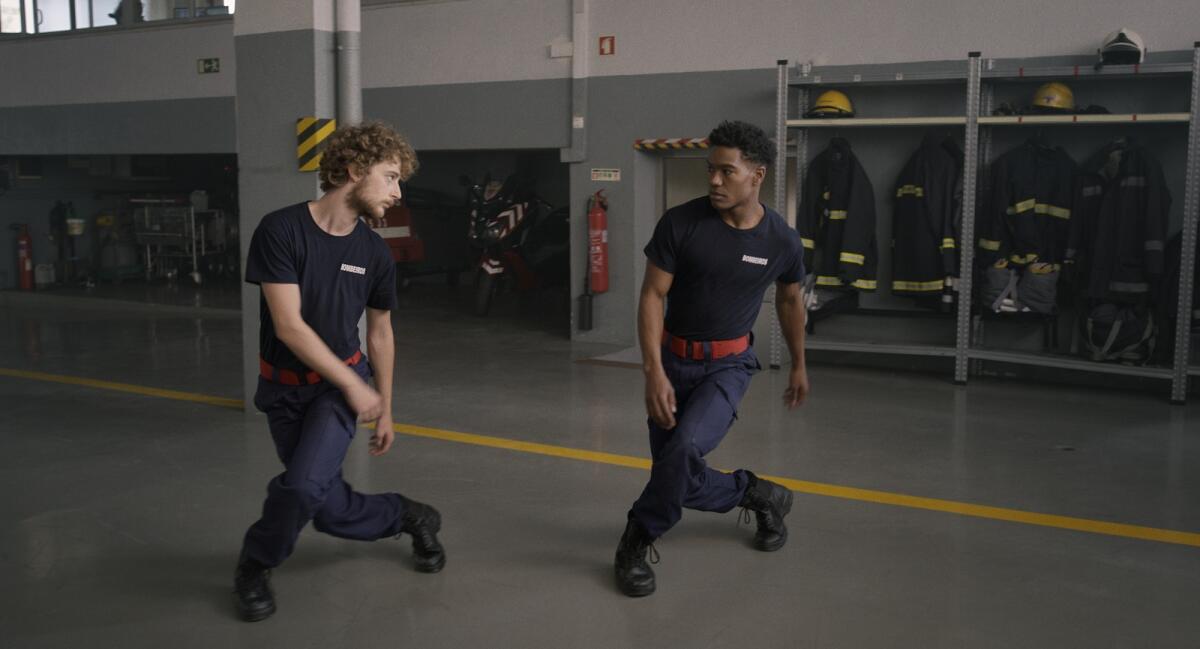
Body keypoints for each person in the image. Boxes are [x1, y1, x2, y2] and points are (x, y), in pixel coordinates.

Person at [233, 122, 445, 622]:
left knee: (303, 488)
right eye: (391, 177)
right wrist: (357, 386)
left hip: (336, 390)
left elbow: (380, 334)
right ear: (353, 171)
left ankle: (253, 563)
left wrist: (383, 404)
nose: (397, 192)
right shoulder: (281, 230)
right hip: (283, 392)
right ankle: (407, 514)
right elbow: (288, 326)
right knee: (323, 506)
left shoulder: (374, 252)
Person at [613, 120, 810, 597]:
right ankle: (757, 494)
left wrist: (800, 363)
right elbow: (652, 297)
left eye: (727, 171)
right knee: (674, 472)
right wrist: (653, 370)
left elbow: (789, 300)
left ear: (757, 175)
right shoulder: (681, 223)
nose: (715, 181)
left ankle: (635, 539)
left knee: (681, 454)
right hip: (672, 360)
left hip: (728, 366)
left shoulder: (781, 241)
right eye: (711, 171)